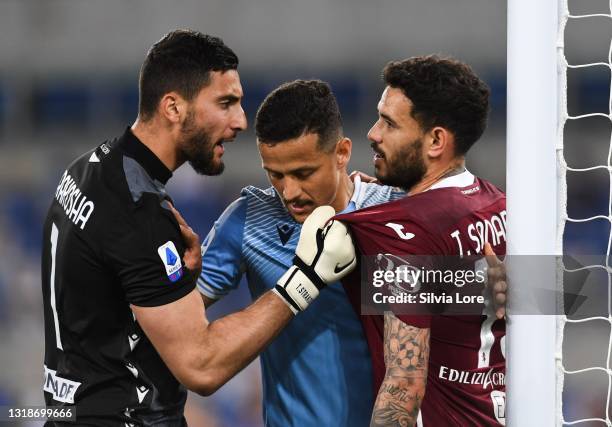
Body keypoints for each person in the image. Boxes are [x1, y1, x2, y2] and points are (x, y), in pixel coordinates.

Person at [41, 30, 356, 426]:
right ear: (173, 107)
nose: (240, 121)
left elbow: (113, 292)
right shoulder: (140, 213)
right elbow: (201, 367)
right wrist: (304, 279)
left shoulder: (88, 168)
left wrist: (177, 278)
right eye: (225, 103)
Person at [197, 79, 405, 426]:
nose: (289, 191)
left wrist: (491, 284)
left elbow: (478, 298)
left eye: (303, 173)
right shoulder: (249, 220)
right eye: (275, 174)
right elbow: (177, 326)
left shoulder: (397, 213)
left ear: (342, 152)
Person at [338, 55, 507, 426]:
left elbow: (403, 390)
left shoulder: (405, 227)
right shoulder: (499, 205)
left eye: (389, 123)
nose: (373, 133)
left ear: (435, 141)